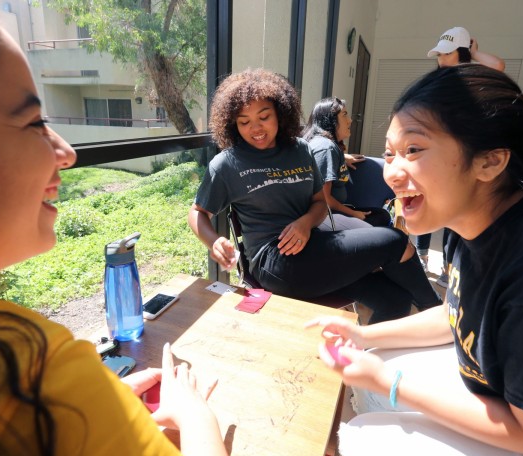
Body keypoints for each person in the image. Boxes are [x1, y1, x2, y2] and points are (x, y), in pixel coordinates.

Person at [0, 2, 237, 456]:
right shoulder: (35, 370)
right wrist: (196, 416)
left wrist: (100, 411)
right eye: (33, 122)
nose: (66, 152)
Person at [308, 64, 523, 456]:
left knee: (364, 438)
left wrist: (390, 381)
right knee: (370, 369)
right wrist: (363, 334)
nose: (391, 172)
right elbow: (457, 311)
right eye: (390, 152)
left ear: (489, 162)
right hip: (511, 401)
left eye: (414, 150)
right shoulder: (471, 218)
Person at [188, 68, 440, 323]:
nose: (256, 128)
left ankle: (365, 355)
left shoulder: (300, 150)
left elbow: (320, 202)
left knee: (394, 299)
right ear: (233, 124)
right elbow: (198, 213)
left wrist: (305, 223)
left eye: (264, 116)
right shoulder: (227, 164)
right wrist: (214, 241)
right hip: (275, 262)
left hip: (315, 249)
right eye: (244, 122)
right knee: (394, 240)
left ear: (280, 112)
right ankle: (440, 316)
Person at [417, 26, 506, 283]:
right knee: (427, 202)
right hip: (435, 155)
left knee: (455, 213)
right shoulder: (436, 83)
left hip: (462, 157)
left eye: (447, 53)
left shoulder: (472, 78)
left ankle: (448, 269)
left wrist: (475, 54)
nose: (442, 59)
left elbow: (498, 65)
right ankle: (422, 257)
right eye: (439, 54)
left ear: (462, 52)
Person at [302, 97, 392, 230]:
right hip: (324, 215)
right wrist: (354, 214)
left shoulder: (325, 145)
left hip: (334, 210)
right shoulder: (326, 148)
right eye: (344, 115)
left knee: (382, 215)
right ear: (330, 119)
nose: (350, 120)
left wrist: (342, 159)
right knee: (377, 226)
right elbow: (324, 200)